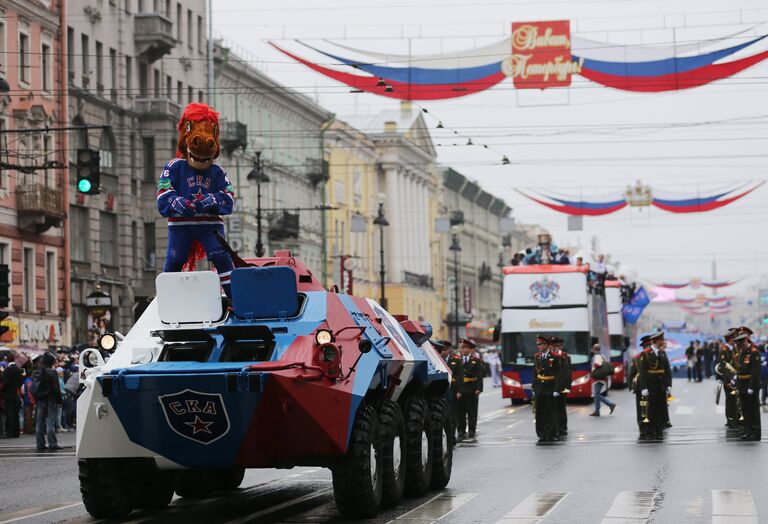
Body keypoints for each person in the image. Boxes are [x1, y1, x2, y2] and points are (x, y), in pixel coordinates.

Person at [157, 102, 236, 297]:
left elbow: (228, 199)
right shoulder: (174, 166)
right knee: (174, 260)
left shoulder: (217, 172)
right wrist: (180, 204)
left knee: (222, 257)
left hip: (210, 226)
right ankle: (167, 298)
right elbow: (163, 197)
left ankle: (236, 298)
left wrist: (209, 201)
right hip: (180, 226)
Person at [638, 330, 672, 440]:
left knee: (661, 408)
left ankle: (659, 429)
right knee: (651, 409)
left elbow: (667, 370)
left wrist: (668, 385)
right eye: (662, 339)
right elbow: (643, 372)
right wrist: (643, 387)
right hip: (651, 385)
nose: (663, 341)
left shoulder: (662, 353)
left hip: (661, 385)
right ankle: (651, 430)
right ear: (656, 341)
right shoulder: (646, 353)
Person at [533, 335, 561, 443]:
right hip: (540, 388)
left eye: (540, 344)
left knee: (550, 412)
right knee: (540, 412)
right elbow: (535, 374)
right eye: (538, 344)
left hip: (550, 387)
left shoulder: (554, 357)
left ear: (546, 345)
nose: (538, 346)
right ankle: (541, 433)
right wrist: (534, 387)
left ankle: (551, 433)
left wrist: (556, 389)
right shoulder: (537, 357)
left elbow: (558, 374)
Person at [733, 331, 761, 441]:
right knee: (745, 410)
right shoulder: (742, 351)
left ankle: (755, 432)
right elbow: (740, 367)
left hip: (750, 385)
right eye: (738, 344)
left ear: (745, 340)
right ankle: (747, 431)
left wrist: (752, 387)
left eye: (740, 343)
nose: (739, 346)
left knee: (753, 410)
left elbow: (756, 371)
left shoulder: (754, 352)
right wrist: (736, 377)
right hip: (742, 384)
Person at [34, 352, 64, 451]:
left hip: (40, 399)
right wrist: (59, 400)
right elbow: (56, 388)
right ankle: (52, 443)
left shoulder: (38, 372)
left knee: (39, 423)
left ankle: (40, 443)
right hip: (51, 399)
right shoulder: (52, 372)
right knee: (50, 423)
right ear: (51, 362)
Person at [456, 338, 483, 441]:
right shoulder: (458, 360)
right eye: (461, 348)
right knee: (460, 412)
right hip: (461, 390)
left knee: (472, 412)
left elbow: (479, 376)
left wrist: (479, 388)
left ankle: (472, 431)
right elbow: (457, 377)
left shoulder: (476, 361)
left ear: (470, 349)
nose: (463, 350)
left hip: (472, 389)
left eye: (465, 348)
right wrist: (458, 390)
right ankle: (461, 431)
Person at [716, 328, 741, 429]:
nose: (735, 340)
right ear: (730, 339)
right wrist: (728, 381)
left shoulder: (733, 349)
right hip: (728, 379)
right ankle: (730, 420)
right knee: (730, 400)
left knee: (735, 399)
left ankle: (735, 418)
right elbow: (724, 367)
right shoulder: (724, 349)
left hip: (735, 378)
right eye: (734, 338)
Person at [630, 336, 652, 439]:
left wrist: (631, 385)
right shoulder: (640, 357)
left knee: (642, 408)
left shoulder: (637, 357)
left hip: (641, 386)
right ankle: (649, 428)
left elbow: (631, 373)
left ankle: (643, 429)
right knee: (648, 407)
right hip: (649, 385)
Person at [589, 344, 616, 417]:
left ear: (594, 349)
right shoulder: (602, 355)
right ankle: (597, 411)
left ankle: (610, 404)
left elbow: (597, 364)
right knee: (596, 394)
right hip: (602, 377)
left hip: (598, 378)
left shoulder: (597, 356)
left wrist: (592, 370)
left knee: (596, 394)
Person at [552, 337, 571, 436]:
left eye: (559, 345)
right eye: (555, 345)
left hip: (562, 386)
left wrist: (567, 386)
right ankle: (555, 427)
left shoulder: (565, 356)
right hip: (552, 386)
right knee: (553, 408)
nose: (557, 347)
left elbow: (567, 372)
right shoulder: (551, 356)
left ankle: (562, 427)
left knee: (561, 408)